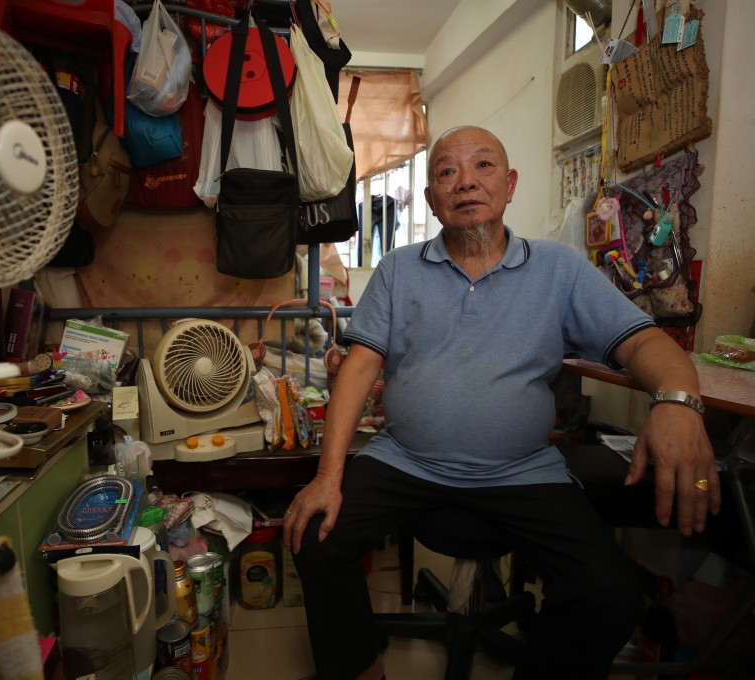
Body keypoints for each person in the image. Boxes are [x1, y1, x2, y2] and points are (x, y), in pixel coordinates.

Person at [283, 126, 721, 680]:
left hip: (523, 470)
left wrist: (678, 402)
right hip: (406, 461)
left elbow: (644, 342)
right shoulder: (398, 269)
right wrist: (329, 473)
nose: (465, 182)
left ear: (509, 184)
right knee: (316, 535)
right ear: (431, 197)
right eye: (446, 171)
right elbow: (362, 363)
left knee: (609, 594)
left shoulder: (558, 270)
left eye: (483, 166)